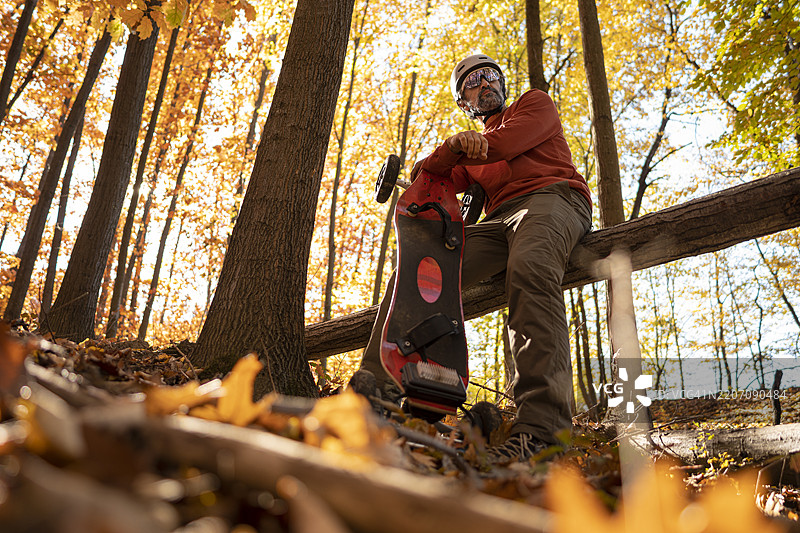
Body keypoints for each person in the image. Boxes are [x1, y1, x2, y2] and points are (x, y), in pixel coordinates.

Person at [357, 53, 592, 461]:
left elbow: (501, 145)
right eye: (472, 83)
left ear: (501, 83)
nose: (483, 84)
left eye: (488, 76)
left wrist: (455, 151)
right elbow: (428, 177)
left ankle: (542, 432)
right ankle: (378, 396)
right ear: (465, 103)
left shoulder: (533, 105)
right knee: (415, 274)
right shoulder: (470, 148)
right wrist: (447, 154)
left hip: (554, 199)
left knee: (531, 268)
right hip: (499, 221)